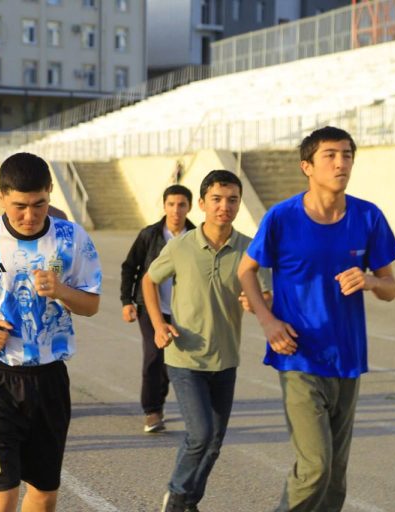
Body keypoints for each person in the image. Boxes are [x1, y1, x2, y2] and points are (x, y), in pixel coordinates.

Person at [237, 126, 395, 512]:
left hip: (347, 357)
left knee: (335, 475)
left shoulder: (368, 216)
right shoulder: (282, 218)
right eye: (330, 155)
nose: (341, 163)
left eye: (347, 155)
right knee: (315, 467)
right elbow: (246, 271)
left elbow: (391, 287)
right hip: (299, 355)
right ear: (306, 166)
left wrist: (371, 281)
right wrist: (268, 321)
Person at [0, 152, 101, 512]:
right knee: (2, 494)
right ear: (1, 197)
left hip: (49, 379)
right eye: (19, 206)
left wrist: (61, 290)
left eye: (39, 204)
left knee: (43, 494)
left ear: (50, 191)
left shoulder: (72, 239)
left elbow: (91, 304)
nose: (29, 215)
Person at [142, 170, 271, 512]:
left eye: (232, 200)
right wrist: (158, 324)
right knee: (200, 434)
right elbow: (149, 281)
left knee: (214, 442)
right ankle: (176, 496)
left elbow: (266, 294)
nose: (224, 206)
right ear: (201, 204)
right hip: (185, 358)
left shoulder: (250, 249)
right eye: (216, 199)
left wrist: (258, 302)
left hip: (225, 359)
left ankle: (189, 502)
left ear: (239, 204)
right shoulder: (180, 246)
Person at [120, 184, 196, 433]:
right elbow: (130, 267)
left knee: (173, 362)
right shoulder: (149, 235)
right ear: (164, 206)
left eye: (181, 205)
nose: (176, 210)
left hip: (184, 310)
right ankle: (152, 411)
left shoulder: (196, 236)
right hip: (150, 308)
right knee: (154, 356)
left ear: (189, 207)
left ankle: (172, 403)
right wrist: (127, 301)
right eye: (171, 204)